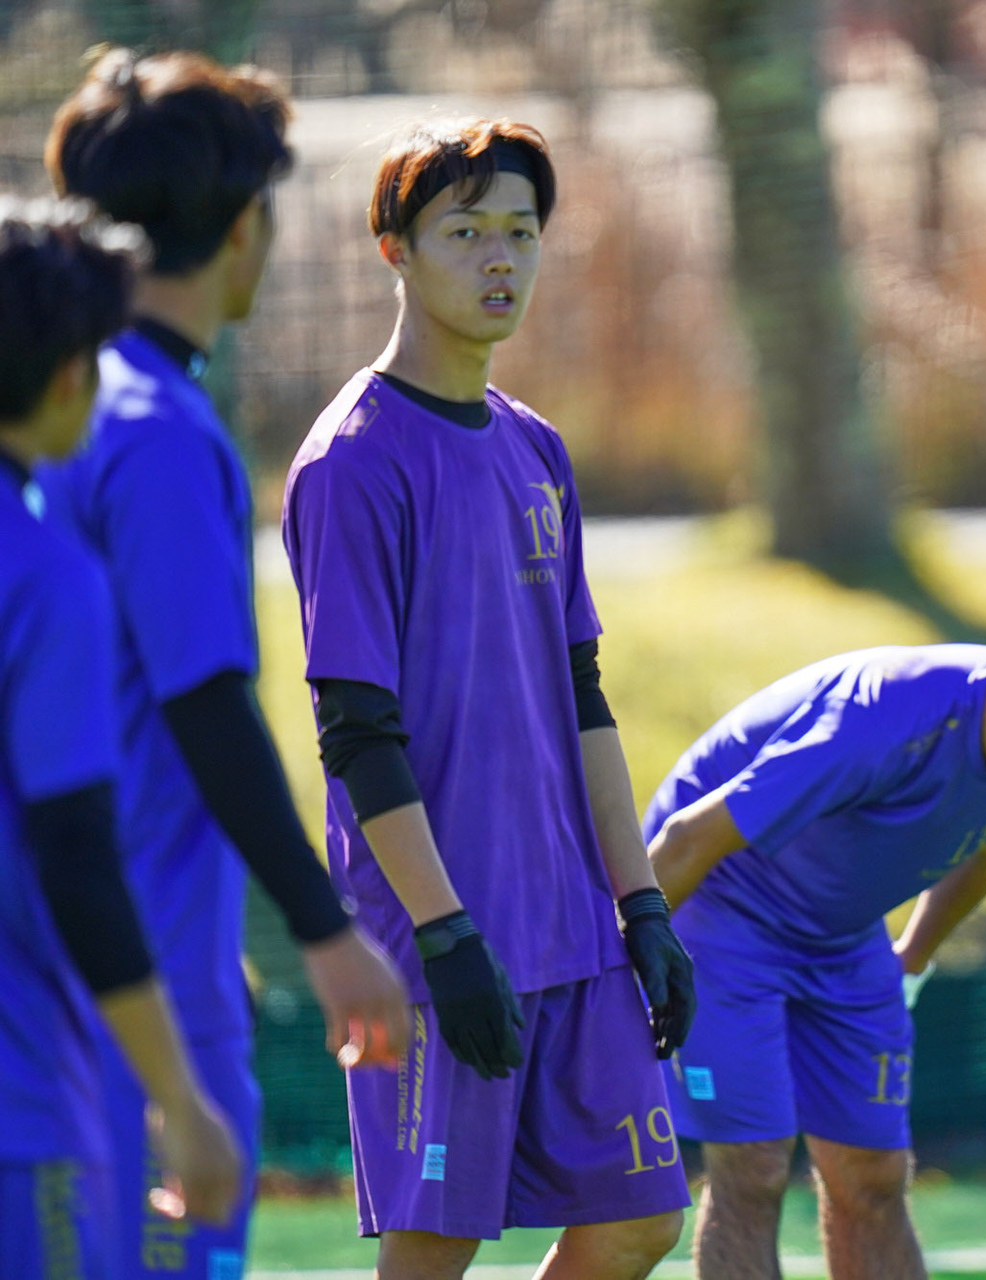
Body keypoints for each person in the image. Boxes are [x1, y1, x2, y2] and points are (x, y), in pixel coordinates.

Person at [281, 118, 697, 1278]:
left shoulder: (537, 448)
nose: (501, 257)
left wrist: (643, 904)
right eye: (465, 233)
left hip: (574, 924)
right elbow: (355, 732)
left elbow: (583, 694)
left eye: (521, 231)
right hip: (444, 934)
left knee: (641, 1216)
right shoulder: (352, 460)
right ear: (395, 250)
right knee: (434, 1251)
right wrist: (445, 931)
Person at [37, 49, 412, 1279]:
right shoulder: (154, 429)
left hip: (84, 945)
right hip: (130, 970)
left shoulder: (62, 403)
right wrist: (325, 928)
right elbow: (202, 699)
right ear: (246, 224)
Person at [642, 625, 986, 1280]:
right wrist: (623, 964)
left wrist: (911, 957)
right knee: (754, 1166)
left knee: (873, 1174)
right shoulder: (884, 719)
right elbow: (687, 837)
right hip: (722, 913)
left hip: (845, 937)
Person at [0, 196, 244, 1278]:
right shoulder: (50, 581)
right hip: (22, 1106)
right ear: (68, 377)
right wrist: (178, 1095)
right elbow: (77, 857)